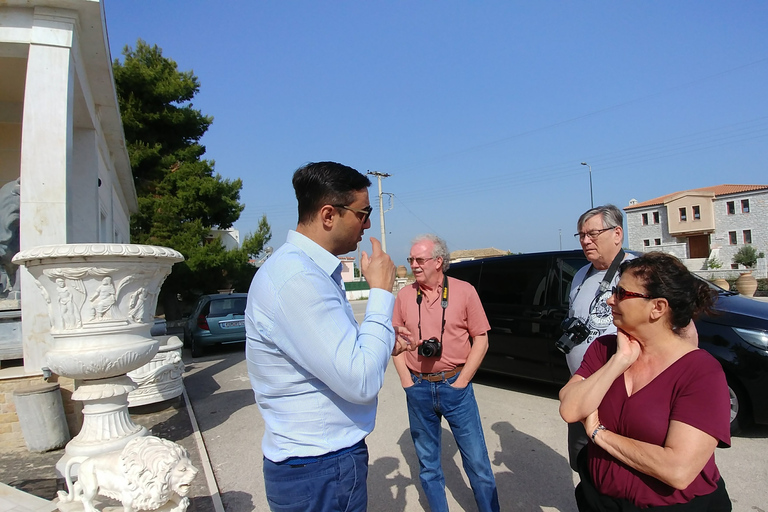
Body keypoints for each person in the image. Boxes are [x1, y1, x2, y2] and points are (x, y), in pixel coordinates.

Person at [245, 161, 414, 512]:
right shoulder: (297, 279)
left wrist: (382, 339)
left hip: (321, 465)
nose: (367, 225)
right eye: (363, 214)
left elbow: (338, 353)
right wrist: (381, 292)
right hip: (320, 467)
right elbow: (361, 380)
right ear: (328, 215)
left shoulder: (310, 272)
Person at [559, 252, 731, 511]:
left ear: (658, 308)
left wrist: (599, 434)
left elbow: (677, 470)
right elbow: (570, 409)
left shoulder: (701, 372)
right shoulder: (604, 349)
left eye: (622, 294)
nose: (609, 300)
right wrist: (619, 361)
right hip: (599, 500)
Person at [392, 234, 500, 512]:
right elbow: (395, 342)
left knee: (477, 462)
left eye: (420, 259)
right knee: (428, 465)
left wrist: (462, 382)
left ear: (439, 261)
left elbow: (482, 339)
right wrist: (406, 380)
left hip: (455, 386)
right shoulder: (404, 296)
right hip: (418, 387)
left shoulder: (464, 291)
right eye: (411, 260)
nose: (414, 265)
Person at [564, 205, 635, 470]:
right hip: (582, 387)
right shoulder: (581, 274)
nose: (585, 240)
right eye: (581, 235)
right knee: (584, 463)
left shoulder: (635, 272)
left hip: (620, 392)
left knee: (617, 468)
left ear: (617, 234)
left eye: (593, 233)